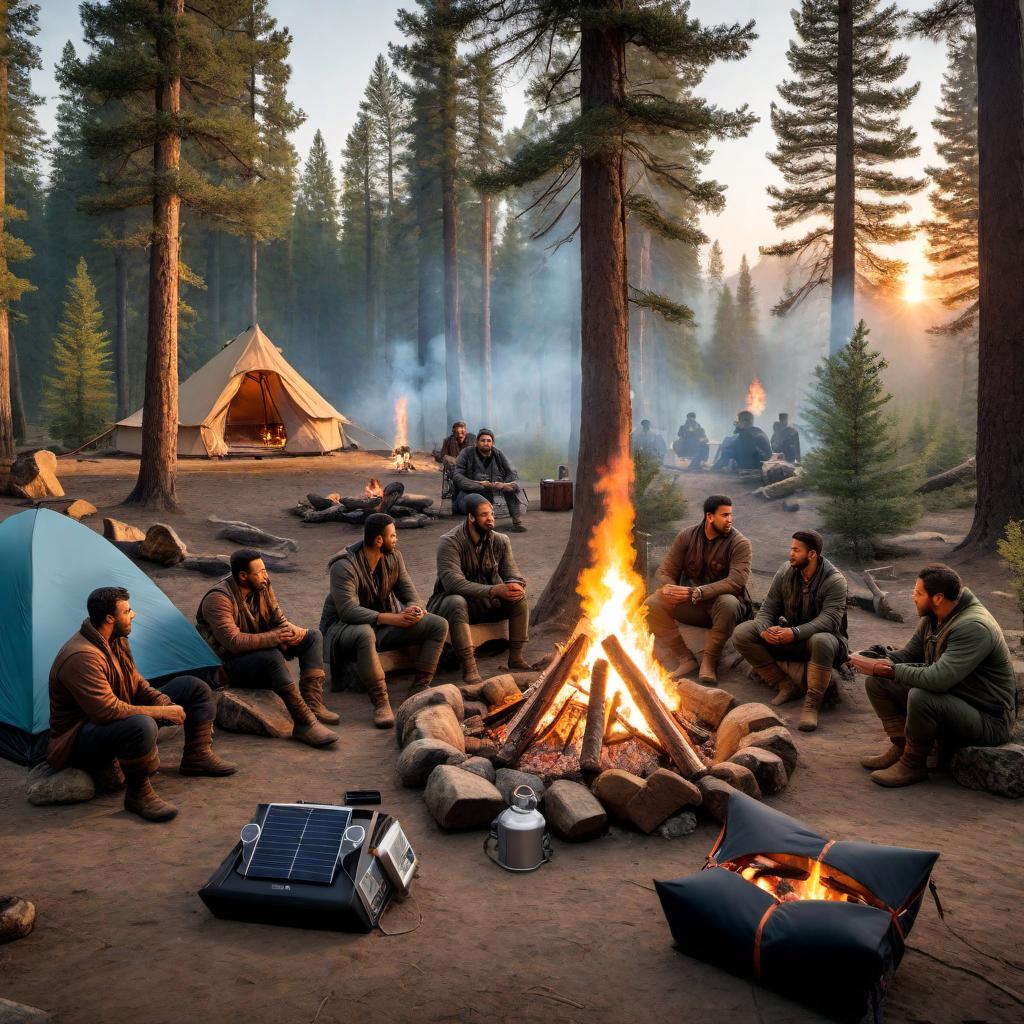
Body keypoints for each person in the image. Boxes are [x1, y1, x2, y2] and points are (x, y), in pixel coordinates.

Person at [48, 587, 236, 822]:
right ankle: (138, 795)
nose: (134, 614)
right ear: (109, 618)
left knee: (193, 687)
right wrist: (160, 712)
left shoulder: (115, 639)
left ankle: (197, 757)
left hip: (112, 718)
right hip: (79, 738)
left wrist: (163, 702)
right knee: (141, 725)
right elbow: (107, 711)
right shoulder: (82, 656)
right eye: (127, 611)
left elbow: (136, 683)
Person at [851, 564, 1017, 788]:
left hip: (989, 719)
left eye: (918, 593)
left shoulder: (973, 627)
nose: (913, 597)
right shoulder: (933, 618)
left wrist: (890, 669)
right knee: (878, 682)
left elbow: (939, 680)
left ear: (938, 597)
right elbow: (908, 656)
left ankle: (914, 763)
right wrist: (876, 658)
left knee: (921, 697)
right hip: (959, 700)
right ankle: (902, 747)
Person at [196, 549, 338, 748]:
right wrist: (273, 638)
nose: (266, 575)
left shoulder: (262, 586)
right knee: (271, 657)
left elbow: (277, 619)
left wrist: (291, 631)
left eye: (265, 570)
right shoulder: (218, 599)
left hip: (257, 650)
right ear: (243, 576)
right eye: (260, 571)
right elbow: (233, 643)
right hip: (226, 666)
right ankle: (304, 723)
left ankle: (312, 704)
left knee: (312, 636)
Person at [321, 513, 448, 728]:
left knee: (438, 624)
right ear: (379, 540)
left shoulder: (393, 557)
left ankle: (419, 688)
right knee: (364, 633)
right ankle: (381, 701)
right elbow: (348, 611)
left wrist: (415, 609)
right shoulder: (343, 566)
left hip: (385, 623)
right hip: (344, 629)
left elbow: (409, 593)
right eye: (393, 535)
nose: (396, 539)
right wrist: (391, 618)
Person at [732, 530, 848, 732]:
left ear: (812, 554)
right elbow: (768, 608)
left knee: (821, 640)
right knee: (743, 633)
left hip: (825, 644)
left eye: (796, 550)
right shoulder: (786, 571)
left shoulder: (835, 581)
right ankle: (785, 685)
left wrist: (794, 633)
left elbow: (828, 620)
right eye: (791, 548)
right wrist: (765, 630)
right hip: (791, 638)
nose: (791, 553)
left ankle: (812, 704)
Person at [645, 495, 752, 685]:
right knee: (652, 603)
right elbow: (665, 570)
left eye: (730, 515)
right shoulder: (687, 536)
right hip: (693, 605)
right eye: (724, 515)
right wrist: (671, 588)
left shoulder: (740, 543)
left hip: (724, 610)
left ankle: (709, 663)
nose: (730, 520)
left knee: (728, 602)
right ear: (709, 517)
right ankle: (685, 659)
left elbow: (737, 581)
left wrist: (699, 591)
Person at [427, 494, 530, 684]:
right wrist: (493, 590)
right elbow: (452, 583)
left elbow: (512, 572)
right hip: (447, 605)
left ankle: (516, 657)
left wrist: (516, 584)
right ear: (471, 517)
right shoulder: (449, 542)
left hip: (483, 603)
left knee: (519, 597)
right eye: (484, 515)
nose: (490, 518)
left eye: (491, 514)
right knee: (456, 601)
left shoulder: (501, 540)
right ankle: (470, 666)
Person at [452, 428, 528, 533]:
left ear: (492, 443)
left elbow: (512, 472)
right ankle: (477, 526)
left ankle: (517, 522)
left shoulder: (498, 454)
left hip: (493, 489)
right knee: (476, 503)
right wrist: (478, 484)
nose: (486, 443)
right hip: (470, 493)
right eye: (483, 440)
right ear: (477, 442)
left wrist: (504, 484)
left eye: (489, 441)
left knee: (512, 487)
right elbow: (457, 475)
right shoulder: (466, 453)